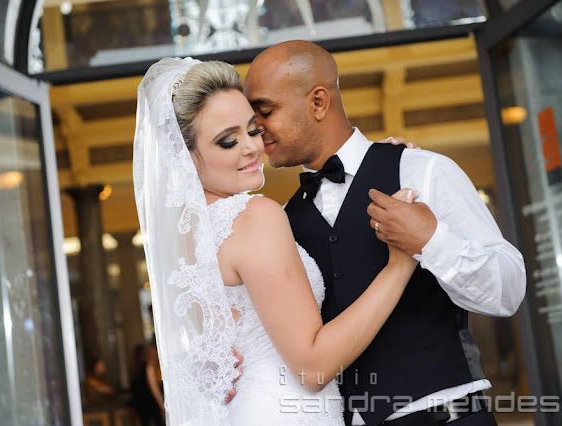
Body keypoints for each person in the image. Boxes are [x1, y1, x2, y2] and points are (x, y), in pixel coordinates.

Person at [243, 40, 527, 426]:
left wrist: (431, 241)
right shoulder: (282, 222)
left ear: (318, 102)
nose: (255, 129)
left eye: (265, 111)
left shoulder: (422, 171)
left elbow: (507, 292)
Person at [133, 57, 419, 425]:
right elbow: (314, 367)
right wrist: (400, 264)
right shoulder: (255, 217)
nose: (252, 148)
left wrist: (372, 169)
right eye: (228, 141)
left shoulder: (186, 239)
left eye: (253, 130)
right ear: (183, 156)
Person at [130, 342, 165, 426]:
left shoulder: (136, 368)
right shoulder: (149, 367)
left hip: (143, 404)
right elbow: (154, 389)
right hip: (150, 404)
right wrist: (162, 405)